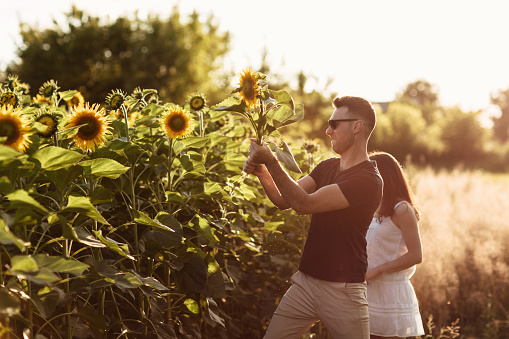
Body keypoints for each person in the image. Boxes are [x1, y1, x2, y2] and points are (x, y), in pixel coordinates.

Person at [243, 96, 383, 339]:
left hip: (344, 291)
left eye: (334, 123)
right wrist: (263, 173)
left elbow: (303, 204)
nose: (328, 131)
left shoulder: (367, 180)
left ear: (357, 126)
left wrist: (272, 160)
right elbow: (284, 200)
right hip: (305, 284)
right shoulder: (326, 167)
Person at [365, 152, 425, 339]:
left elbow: (416, 255)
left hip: (390, 292)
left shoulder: (402, 209)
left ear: (383, 176)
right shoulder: (371, 206)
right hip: (366, 289)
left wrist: (378, 270)